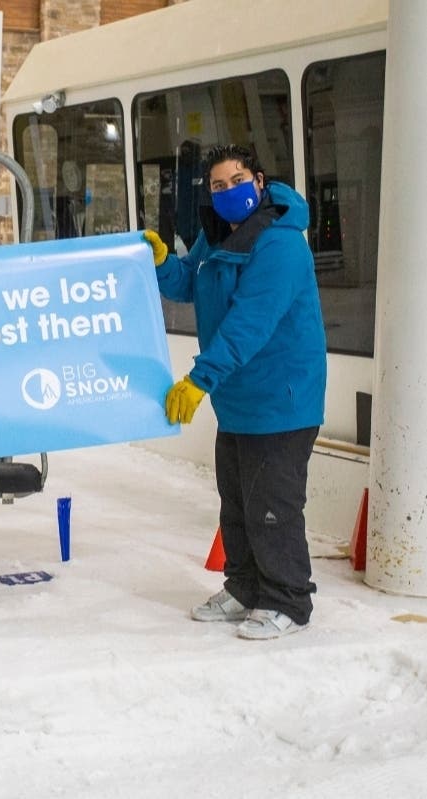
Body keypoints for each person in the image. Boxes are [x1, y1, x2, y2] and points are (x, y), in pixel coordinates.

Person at [145, 143, 326, 641]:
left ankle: (288, 600)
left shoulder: (280, 244)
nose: (229, 191)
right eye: (218, 185)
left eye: (238, 180)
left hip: (281, 398)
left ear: (260, 181)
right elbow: (191, 284)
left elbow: (250, 323)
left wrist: (199, 379)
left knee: (273, 506)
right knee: (238, 504)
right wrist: (164, 263)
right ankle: (245, 588)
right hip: (240, 400)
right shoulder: (221, 234)